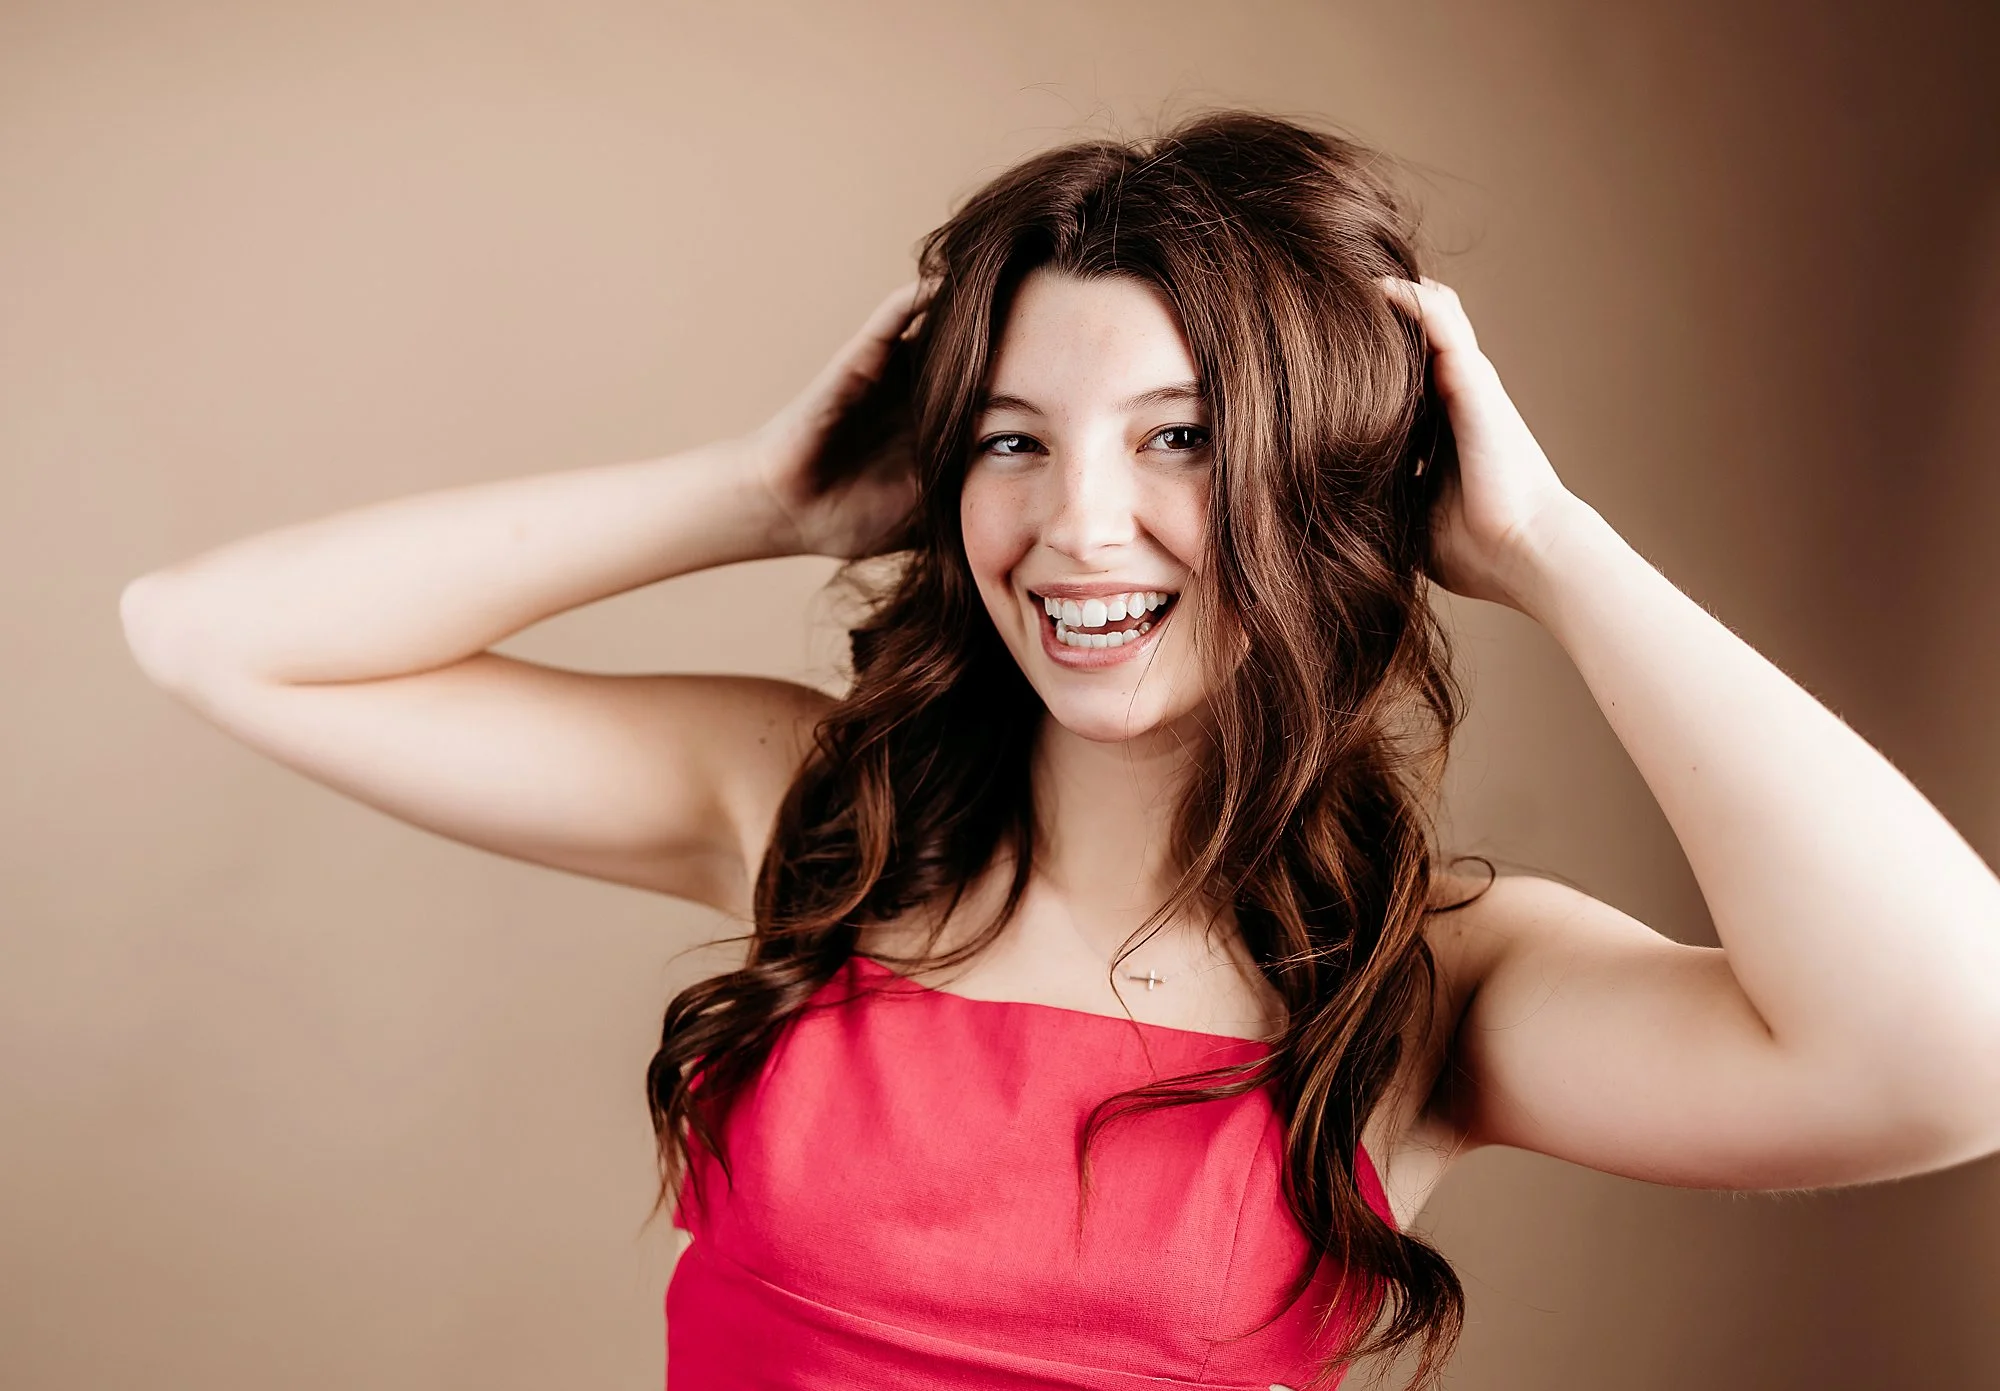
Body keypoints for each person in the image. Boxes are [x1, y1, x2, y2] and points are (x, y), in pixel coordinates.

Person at [118, 111, 2000, 1390]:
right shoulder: (806, 821)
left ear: (1323, 481)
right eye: (1014, 439)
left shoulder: (1424, 987)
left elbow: (1953, 1051)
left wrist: (1546, 550)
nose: (1078, 528)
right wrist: (757, 493)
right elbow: (209, 636)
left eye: (1177, 439)